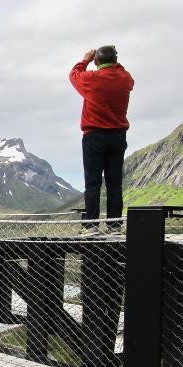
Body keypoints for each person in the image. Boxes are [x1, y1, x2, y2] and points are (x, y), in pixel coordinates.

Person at [69, 45, 134, 235]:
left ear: (97, 62)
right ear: (115, 60)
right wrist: (112, 60)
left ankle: (91, 226)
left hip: (94, 136)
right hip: (118, 136)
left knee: (93, 183)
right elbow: (123, 73)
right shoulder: (125, 79)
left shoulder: (92, 79)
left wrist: (86, 59)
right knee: (115, 183)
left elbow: (74, 74)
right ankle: (114, 226)